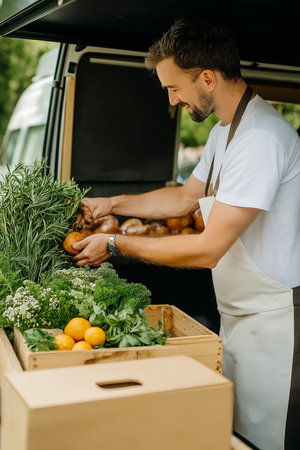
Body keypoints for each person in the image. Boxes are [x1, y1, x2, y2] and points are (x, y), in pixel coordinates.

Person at [73, 18, 300, 450]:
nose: (173, 101)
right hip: (240, 319)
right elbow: (182, 200)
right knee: (239, 435)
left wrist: (116, 243)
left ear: (208, 78)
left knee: (268, 440)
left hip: (277, 327)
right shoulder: (223, 133)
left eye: (174, 88)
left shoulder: (262, 139)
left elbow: (208, 249)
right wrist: (111, 204)